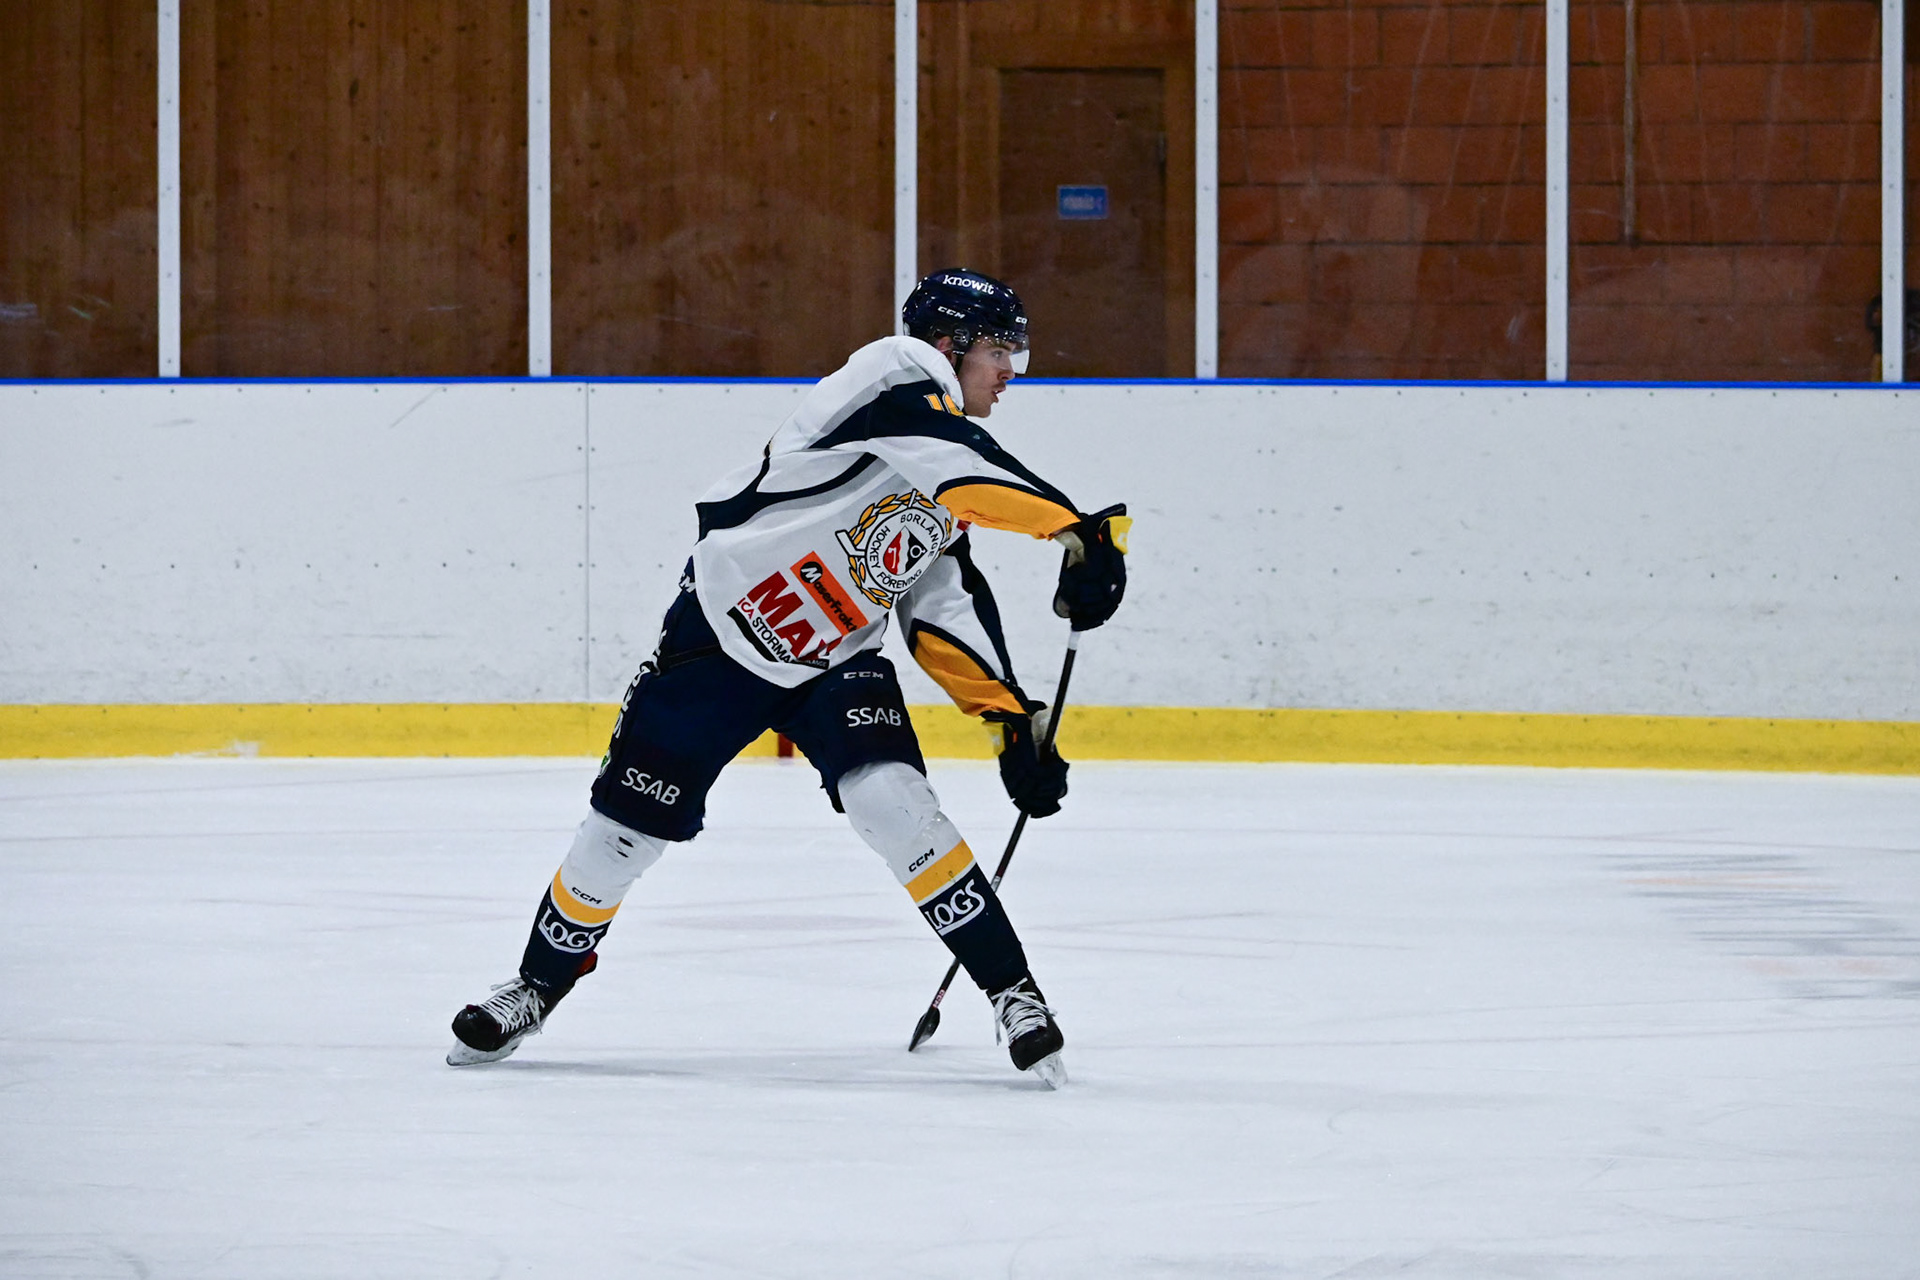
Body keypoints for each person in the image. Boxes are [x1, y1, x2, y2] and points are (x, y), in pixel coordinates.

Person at [446, 269, 1128, 1087]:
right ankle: (534, 986)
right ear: (948, 346)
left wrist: (1010, 719)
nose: (1011, 370)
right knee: (621, 836)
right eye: (998, 350)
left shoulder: (950, 476)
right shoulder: (894, 373)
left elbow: (942, 607)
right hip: (720, 638)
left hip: (835, 663)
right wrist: (1074, 530)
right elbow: (962, 466)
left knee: (895, 806)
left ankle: (1015, 993)